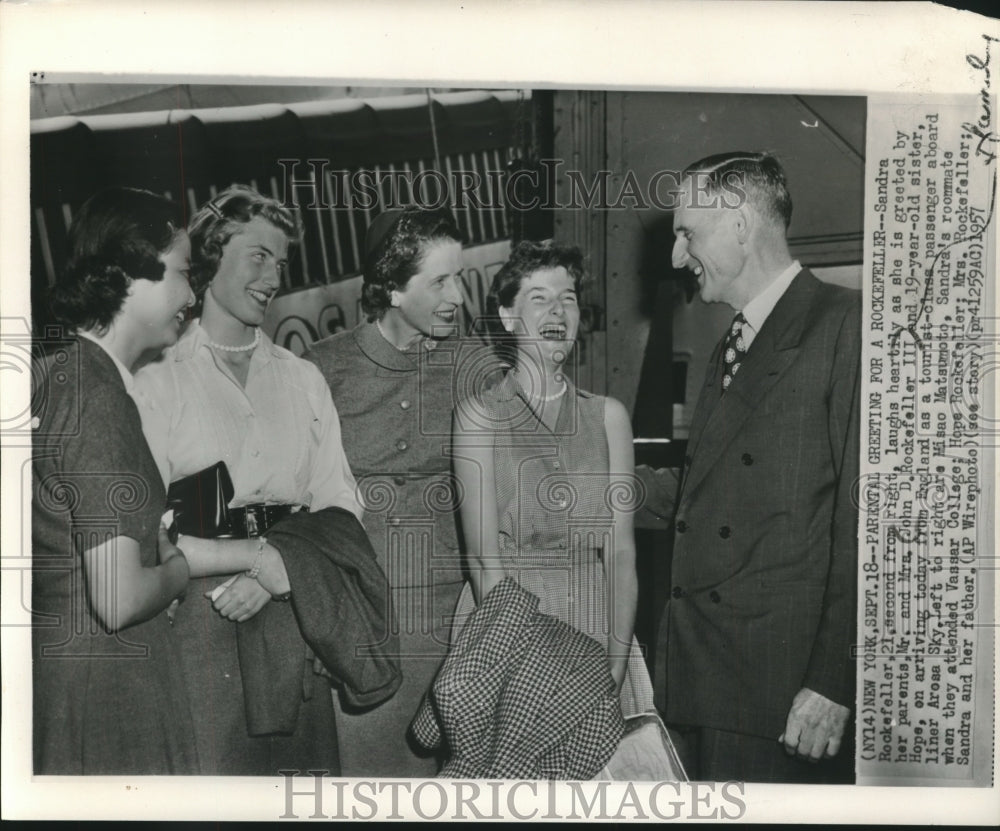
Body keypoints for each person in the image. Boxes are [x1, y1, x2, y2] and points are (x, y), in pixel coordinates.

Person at [133, 185, 367, 776]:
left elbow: (340, 504)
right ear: (211, 257)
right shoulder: (160, 376)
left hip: (294, 614)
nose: (273, 276)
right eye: (258, 256)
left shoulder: (303, 378)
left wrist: (278, 570)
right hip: (200, 620)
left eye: (281, 262)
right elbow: (151, 530)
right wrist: (258, 559)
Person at [654, 151, 861, 783]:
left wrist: (833, 681)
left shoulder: (846, 325)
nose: (675, 257)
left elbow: (868, 524)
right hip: (705, 680)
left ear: (740, 226)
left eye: (687, 232)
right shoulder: (731, 343)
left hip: (781, 695)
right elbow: (707, 493)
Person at [451, 239, 655, 724]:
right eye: (539, 297)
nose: (558, 310)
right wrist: (530, 673)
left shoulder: (608, 417)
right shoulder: (480, 416)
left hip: (595, 624)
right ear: (507, 316)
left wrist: (613, 667)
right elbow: (483, 559)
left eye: (568, 298)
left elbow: (621, 553)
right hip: (508, 629)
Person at [303, 206, 475, 777]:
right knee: (373, 780)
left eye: (461, 277)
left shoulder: (475, 367)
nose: (458, 295)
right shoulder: (322, 369)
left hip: (453, 615)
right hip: (359, 609)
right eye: (440, 281)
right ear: (394, 290)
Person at [32, 187, 198, 774]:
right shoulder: (96, 397)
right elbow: (120, 598)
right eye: (181, 272)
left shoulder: (59, 373)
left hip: (71, 675)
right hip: (109, 688)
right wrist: (176, 573)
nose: (192, 295)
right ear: (131, 278)